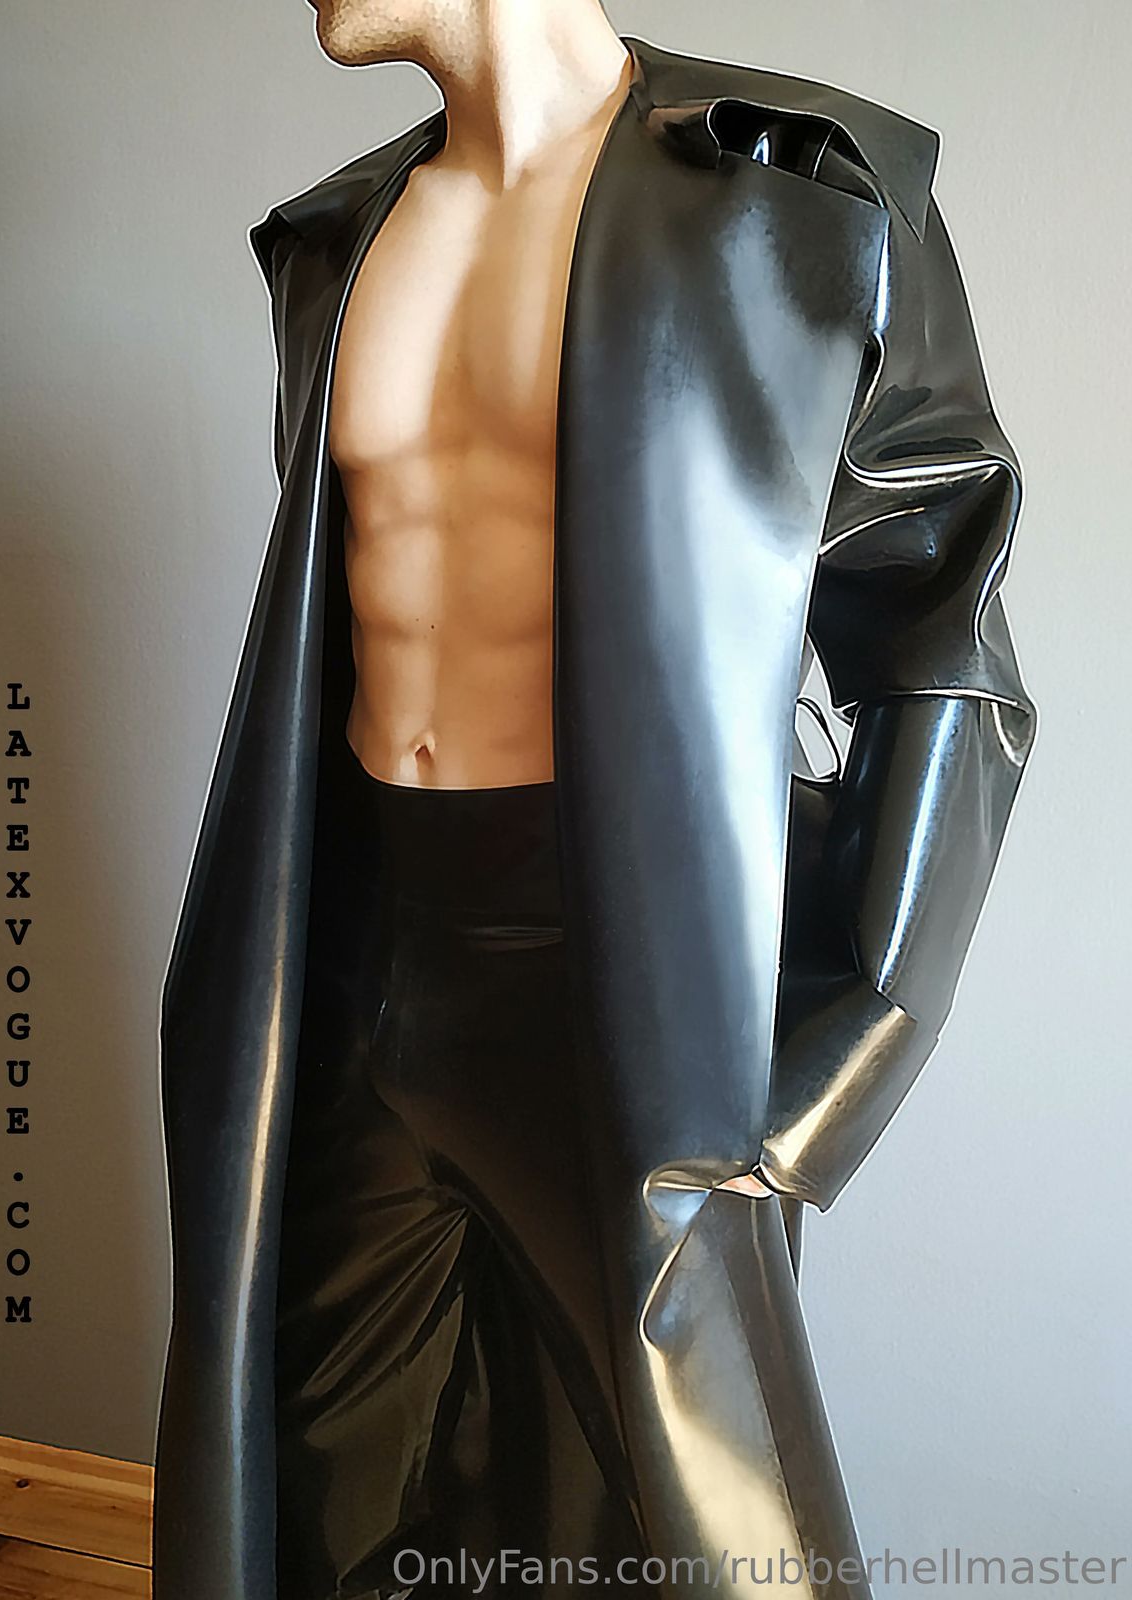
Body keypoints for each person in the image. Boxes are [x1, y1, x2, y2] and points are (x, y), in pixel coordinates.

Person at [153, 4, 1037, 1597]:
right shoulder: (338, 242)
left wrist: (838, 1055)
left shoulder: (802, 197)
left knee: (714, 1526)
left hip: (616, 988)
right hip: (356, 966)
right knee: (317, 1484)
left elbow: (944, 650)